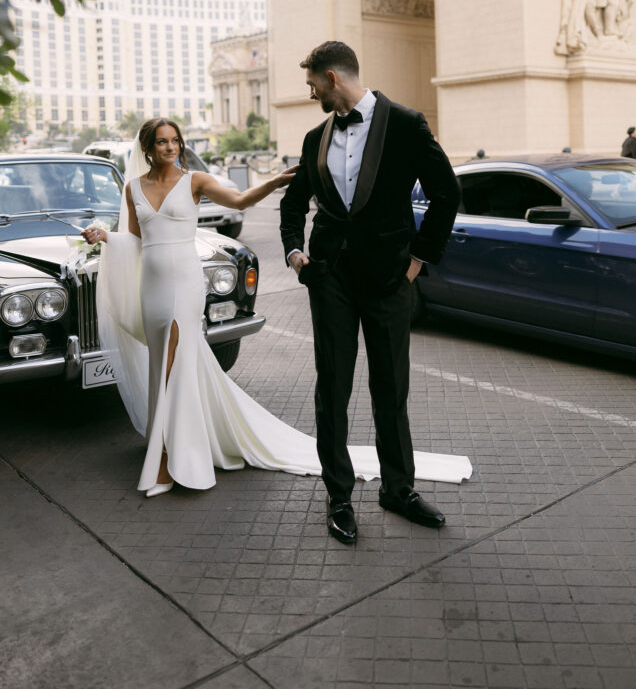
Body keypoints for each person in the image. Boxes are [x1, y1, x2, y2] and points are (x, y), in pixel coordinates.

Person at [83, 118, 471, 502]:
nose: (170, 148)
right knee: (161, 368)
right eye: (162, 142)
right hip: (151, 286)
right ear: (148, 148)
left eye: (175, 141)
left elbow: (239, 201)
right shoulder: (134, 187)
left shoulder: (194, 182)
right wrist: (105, 237)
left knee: (175, 367)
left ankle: (173, 461)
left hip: (184, 285)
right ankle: (170, 448)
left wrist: (272, 182)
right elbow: (134, 239)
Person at [280, 41, 470, 545]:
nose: (310, 91)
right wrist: (295, 254)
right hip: (330, 281)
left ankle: (398, 490)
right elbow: (294, 203)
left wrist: (417, 260)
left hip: (389, 281)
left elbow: (446, 192)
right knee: (332, 391)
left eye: (312, 83)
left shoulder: (406, 123)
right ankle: (339, 496)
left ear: (333, 78)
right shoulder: (314, 136)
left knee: (391, 390)